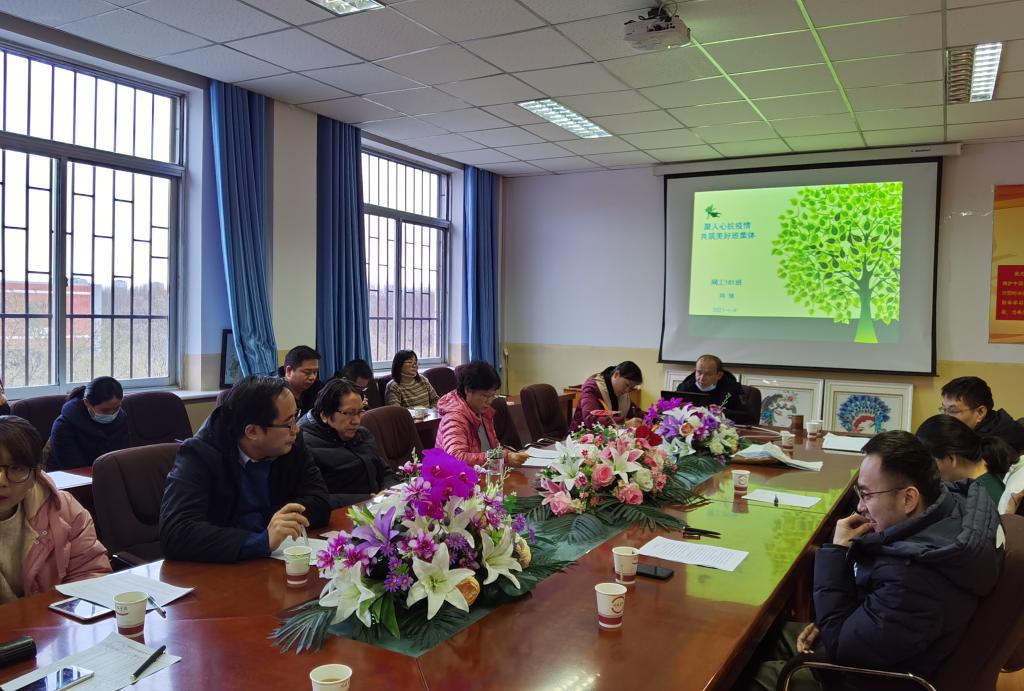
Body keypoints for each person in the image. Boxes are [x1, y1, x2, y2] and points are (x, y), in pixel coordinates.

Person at [742, 430, 1002, 691]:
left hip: (866, 679)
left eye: (867, 495)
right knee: (757, 640)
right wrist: (829, 622)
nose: (860, 507)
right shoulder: (946, 510)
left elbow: (843, 651)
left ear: (908, 499)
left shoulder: (914, 577)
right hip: (874, 641)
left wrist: (836, 551)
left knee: (743, 676)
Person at [159, 375, 331, 563]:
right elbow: (176, 532)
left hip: (269, 561)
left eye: (295, 416)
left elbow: (320, 503)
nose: (296, 429)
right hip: (220, 567)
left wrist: (272, 521)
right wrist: (261, 541)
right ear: (252, 432)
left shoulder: (291, 443)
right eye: (289, 422)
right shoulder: (199, 454)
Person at [0, 416, 110, 604]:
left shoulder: (62, 510)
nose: (1, 481)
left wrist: (49, 615)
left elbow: (90, 573)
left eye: (16, 468)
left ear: (36, 475)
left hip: (49, 618)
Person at [299, 378, 400, 509]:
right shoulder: (305, 446)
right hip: (343, 514)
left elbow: (385, 472)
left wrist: (388, 493)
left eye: (359, 412)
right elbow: (314, 499)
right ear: (324, 415)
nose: (356, 421)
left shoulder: (363, 434)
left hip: (378, 508)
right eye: (349, 413)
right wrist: (368, 500)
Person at [437, 361, 528, 467]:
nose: (490, 401)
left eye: (493, 395)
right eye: (485, 396)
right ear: (468, 390)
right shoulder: (454, 418)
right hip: (458, 476)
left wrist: (508, 454)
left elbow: (492, 449)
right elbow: (456, 458)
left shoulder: (484, 412)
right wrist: (502, 456)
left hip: (485, 472)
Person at [916, 414, 1014, 505]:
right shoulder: (989, 470)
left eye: (931, 463)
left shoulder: (981, 500)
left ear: (951, 459)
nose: (929, 471)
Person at [48, 376, 131, 471]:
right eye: (105, 410)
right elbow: (74, 467)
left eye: (116, 408)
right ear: (87, 403)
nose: (112, 414)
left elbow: (124, 455)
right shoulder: (63, 425)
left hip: (109, 473)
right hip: (69, 476)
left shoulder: (121, 418)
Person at [940, 376, 1024, 453]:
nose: (945, 417)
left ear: (980, 412)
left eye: (953, 411)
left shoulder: (995, 446)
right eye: (943, 409)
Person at [675, 354, 755, 425]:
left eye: (708, 374)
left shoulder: (733, 388)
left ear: (719, 375)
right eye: (699, 372)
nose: (702, 378)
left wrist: (722, 412)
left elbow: (747, 415)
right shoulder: (685, 387)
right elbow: (674, 412)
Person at [570, 361, 644, 432]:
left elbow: (635, 412)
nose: (627, 390)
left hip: (607, 436)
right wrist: (624, 423)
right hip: (581, 435)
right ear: (616, 374)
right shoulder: (592, 388)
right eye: (626, 385)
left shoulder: (621, 392)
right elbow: (590, 420)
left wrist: (648, 418)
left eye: (631, 388)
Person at [279, 345, 322, 417]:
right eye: (307, 372)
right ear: (289, 371)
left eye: (315, 372)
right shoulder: (273, 393)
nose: (312, 377)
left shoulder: (318, 387)